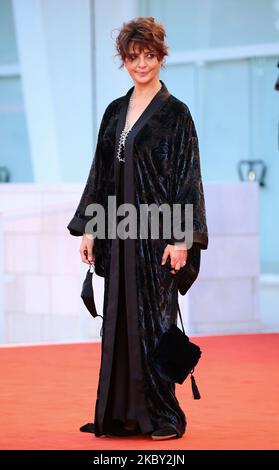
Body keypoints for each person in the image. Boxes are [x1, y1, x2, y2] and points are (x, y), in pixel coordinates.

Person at [67, 16, 208, 440]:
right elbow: (101, 176)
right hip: (120, 233)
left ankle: (163, 417)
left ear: (161, 57)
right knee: (118, 325)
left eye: (148, 56)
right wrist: (92, 229)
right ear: (124, 60)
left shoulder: (176, 115)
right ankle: (122, 415)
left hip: (157, 240)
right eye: (133, 57)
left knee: (154, 325)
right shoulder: (115, 112)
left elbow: (187, 177)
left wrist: (182, 238)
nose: (141, 64)